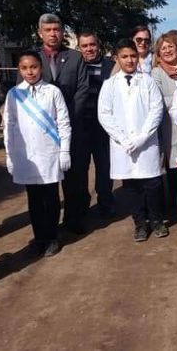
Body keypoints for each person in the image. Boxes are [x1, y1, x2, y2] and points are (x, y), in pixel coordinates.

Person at [97, 39, 167, 242]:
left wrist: (143, 136)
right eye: (124, 56)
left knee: (152, 184)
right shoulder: (109, 85)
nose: (129, 60)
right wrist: (123, 139)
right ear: (117, 59)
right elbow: (104, 114)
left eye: (133, 56)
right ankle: (139, 223)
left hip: (146, 144)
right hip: (123, 145)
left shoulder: (148, 81)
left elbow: (156, 109)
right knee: (131, 187)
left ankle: (157, 220)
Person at [4, 51, 71, 256]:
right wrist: (10, 154)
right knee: (34, 199)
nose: (29, 72)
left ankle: (52, 237)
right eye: (24, 68)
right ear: (19, 70)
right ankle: (39, 237)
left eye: (33, 67)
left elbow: (63, 123)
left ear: (40, 67)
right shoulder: (14, 94)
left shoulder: (52, 92)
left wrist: (65, 150)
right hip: (27, 156)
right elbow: (9, 125)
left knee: (50, 198)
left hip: (49, 153)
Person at [32, 13, 89, 235]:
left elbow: (82, 89)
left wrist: (65, 119)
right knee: (47, 182)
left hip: (72, 128)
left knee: (74, 179)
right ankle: (49, 224)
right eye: (48, 30)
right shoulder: (32, 59)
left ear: (62, 31)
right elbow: (24, 93)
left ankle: (74, 220)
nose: (53, 33)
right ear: (40, 33)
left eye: (56, 29)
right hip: (43, 133)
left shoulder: (75, 57)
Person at [77, 31, 115, 216]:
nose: (89, 49)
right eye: (84, 46)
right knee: (81, 168)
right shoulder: (75, 66)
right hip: (82, 126)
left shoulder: (112, 67)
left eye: (92, 44)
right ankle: (83, 206)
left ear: (98, 45)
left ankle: (106, 203)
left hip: (104, 128)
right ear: (79, 48)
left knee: (104, 166)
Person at [151, 30, 177, 222]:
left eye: (170, 46)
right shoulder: (157, 73)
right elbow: (158, 101)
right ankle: (175, 205)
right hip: (169, 128)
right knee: (172, 168)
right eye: (163, 48)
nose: (167, 50)